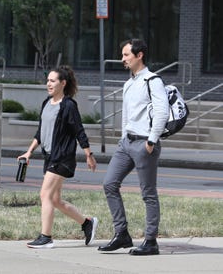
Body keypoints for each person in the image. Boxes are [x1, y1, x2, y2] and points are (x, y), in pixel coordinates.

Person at [98, 39, 169, 256]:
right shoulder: (129, 83)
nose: (123, 59)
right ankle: (122, 235)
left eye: (126, 55)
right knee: (109, 184)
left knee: (148, 193)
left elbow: (162, 112)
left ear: (139, 55)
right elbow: (127, 115)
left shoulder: (153, 80)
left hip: (144, 143)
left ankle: (151, 241)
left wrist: (151, 140)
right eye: (122, 55)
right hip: (127, 143)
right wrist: (122, 138)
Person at [18, 65, 98, 249]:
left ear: (63, 83)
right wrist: (29, 151)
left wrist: (89, 155)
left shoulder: (68, 105)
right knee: (54, 200)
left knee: (44, 194)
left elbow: (79, 131)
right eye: (48, 80)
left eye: (53, 81)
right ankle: (87, 223)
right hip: (50, 156)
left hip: (62, 157)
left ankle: (46, 237)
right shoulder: (47, 103)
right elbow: (41, 132)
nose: (49, 83)